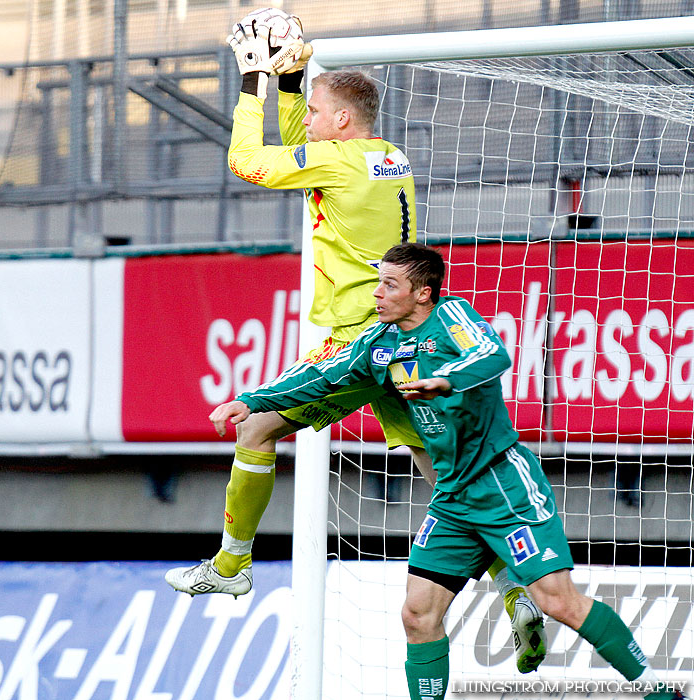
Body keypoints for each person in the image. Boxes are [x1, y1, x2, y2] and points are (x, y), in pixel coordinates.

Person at [165, 10, 546, 674]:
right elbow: (294, 152)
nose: (309, 120)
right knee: (447, 484)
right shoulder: (386, 155)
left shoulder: (339, 161)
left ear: (343, 121)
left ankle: (232, 565)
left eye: (315, 110)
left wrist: (255, 79)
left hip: (359, 341)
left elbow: (249, 161)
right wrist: (290, 87)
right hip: (408, 342)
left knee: (254, 425)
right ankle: (517, 593)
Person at [205, 242, 686, 700]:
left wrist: (445, 380)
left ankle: (657, 689)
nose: (377, 294)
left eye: (389, 285)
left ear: (423, 293)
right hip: (452, 496)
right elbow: (321, 377)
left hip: (503, 484)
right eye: (378, 283)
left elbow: (493, 355)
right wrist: (250, 400)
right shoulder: (380, 342)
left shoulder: (452, 318)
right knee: (417, 614)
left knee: (559, 602)